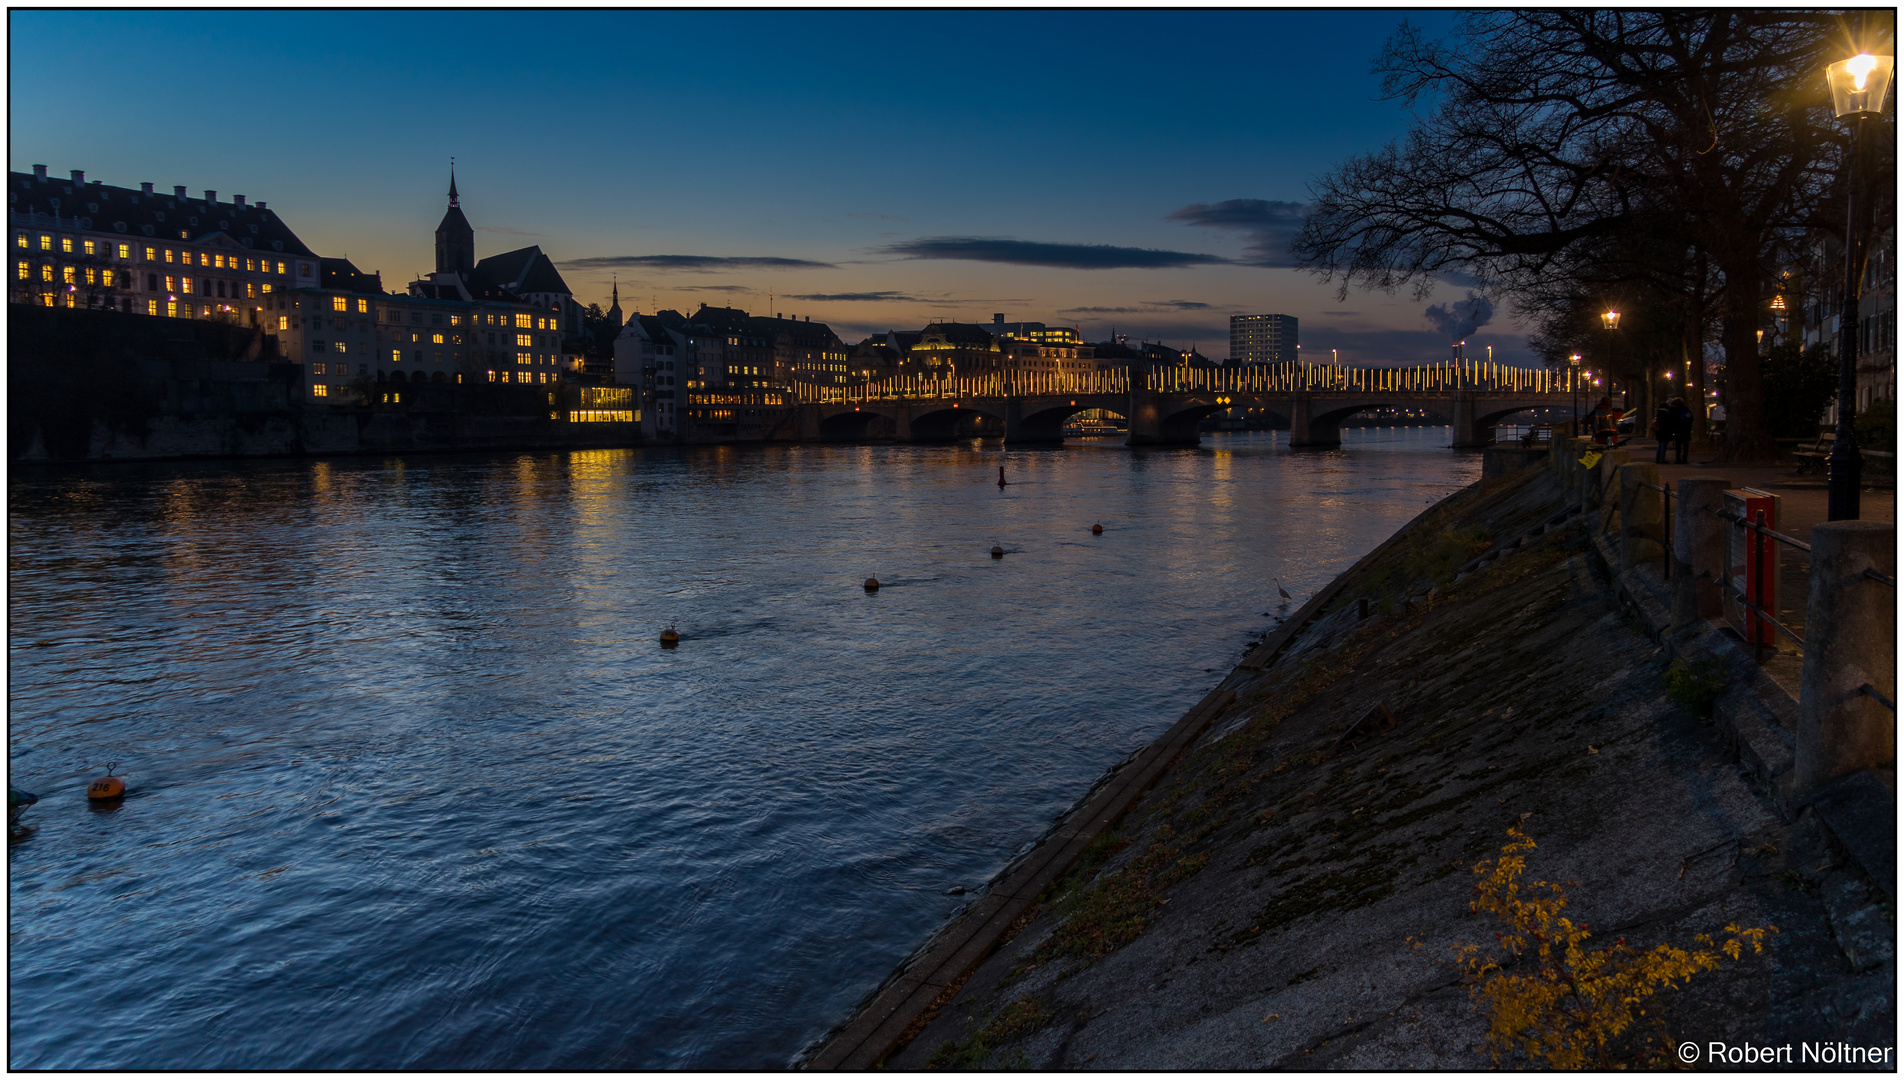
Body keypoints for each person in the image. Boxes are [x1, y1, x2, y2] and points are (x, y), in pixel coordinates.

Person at [1670, 396, 1694, 464]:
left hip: (1678, 429)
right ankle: (1685, 458)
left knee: (1678, 445)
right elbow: (1691, 418)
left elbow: (1671, 420)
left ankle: (1678, 459)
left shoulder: (1673, 410)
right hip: (1686, 430)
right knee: (1686, 445)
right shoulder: (1685, 409)